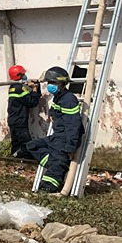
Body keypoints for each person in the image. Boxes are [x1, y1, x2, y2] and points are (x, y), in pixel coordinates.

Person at [26, 66, 84, 194]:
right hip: (57, 136)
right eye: (49, 83)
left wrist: (70, 147)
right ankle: (55, 162)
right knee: (31, 146)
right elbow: (55, 108)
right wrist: (52, 113)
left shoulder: (69, 100)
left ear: (62, 83)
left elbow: (73, 126)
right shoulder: (59, 97)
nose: (50, 85)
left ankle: (48, 187)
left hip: (64, 139)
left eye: (54, 83)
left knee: (58, 164)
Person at [6, 65, 40, 159]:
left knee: (16, 143)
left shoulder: (13, 87)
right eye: (23, 74)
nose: (25, 75)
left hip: (14, 120)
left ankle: (15, 159)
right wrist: (34, 89)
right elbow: (32, 102)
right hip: (19, 121)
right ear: (19, 75)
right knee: (27, 143)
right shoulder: (20, 88)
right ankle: (28, 160)